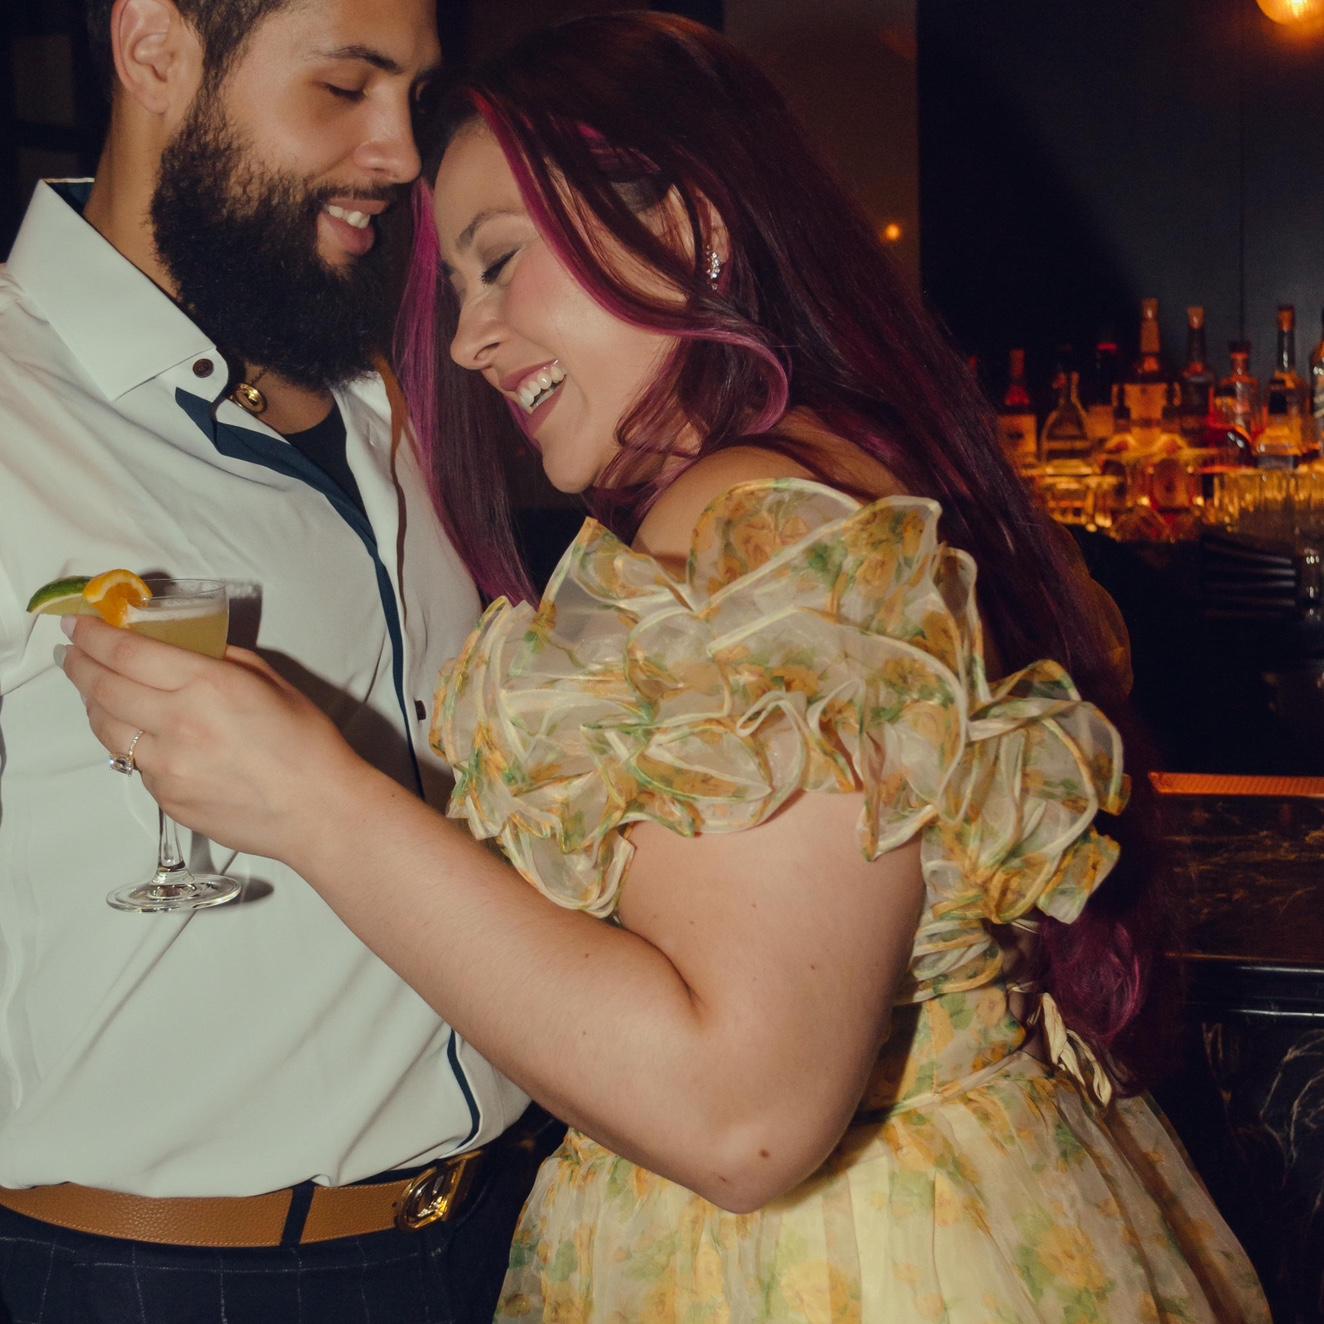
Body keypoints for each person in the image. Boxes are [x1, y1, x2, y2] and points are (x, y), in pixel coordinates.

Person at [62, 12, 1270, 1322]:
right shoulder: (833, 477)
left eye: (501, 262)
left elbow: (741, 1117)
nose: (468, 340)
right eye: (458, 287)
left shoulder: (747, 523)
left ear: (693, 228)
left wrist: (310, 800)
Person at [0, 1, 541, 1320]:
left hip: (510, 1232)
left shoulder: (406, 383)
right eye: (346, 87)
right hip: (165, 1277)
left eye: (413, 97)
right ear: (154, 49)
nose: (400, 154)